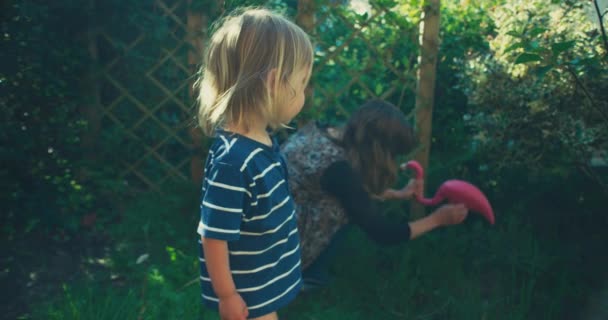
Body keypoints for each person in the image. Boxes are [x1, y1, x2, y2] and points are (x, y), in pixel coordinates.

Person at [195, 8, 313, 320]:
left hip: (261, 284)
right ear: (273, 83)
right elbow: (214, 235)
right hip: (247, 295)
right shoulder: (233, 162)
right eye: (301, 84)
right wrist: (227, 295)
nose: (304, 95)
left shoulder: (261, 141)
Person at [280, 99, 469, 290]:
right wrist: (437, 219)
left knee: (350, 205)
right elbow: (382, 233)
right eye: (392, 154)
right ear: (379, 149)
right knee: (344, 211)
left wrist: (397, 194)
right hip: (279, 248)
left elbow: (333, 189)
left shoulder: (321, 131)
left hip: (267, 223)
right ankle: (308, 276)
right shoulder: (339, 171)